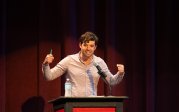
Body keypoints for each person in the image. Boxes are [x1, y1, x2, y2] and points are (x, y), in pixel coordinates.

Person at [42, 31, 125, 97]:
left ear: (95, 47)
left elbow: (111, 81)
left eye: (91, 46)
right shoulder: (69, 60)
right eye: (85, 45)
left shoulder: (99, 62)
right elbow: (49, 76)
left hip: (91, 106)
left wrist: (120, 73)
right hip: (72, 106)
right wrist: (46, 64)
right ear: (80, 45)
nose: (88, 49)